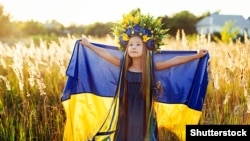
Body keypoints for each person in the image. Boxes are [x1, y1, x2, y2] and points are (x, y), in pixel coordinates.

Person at [79, 9, 208, 141]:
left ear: (145, 48)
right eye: (130, 45)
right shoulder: (124, 66)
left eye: (138, 44)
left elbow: (174, 61)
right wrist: (88, 45)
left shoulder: (150, 68)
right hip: (126, 112)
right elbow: (105, 55)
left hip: (144, 114)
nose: (133, 47)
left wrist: (197, 55)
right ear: (127, 48)